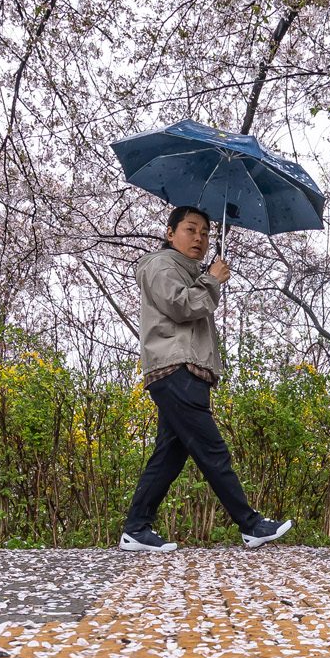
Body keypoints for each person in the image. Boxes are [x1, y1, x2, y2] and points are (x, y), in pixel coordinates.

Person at [119, 204, 293, 553]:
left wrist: (207, 278)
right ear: (170, 234)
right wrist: (212, 280)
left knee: (169, 455)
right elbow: (181, 306)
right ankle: (251, 525)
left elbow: (192, 303)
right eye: (190, 229)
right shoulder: (159, 265)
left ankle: (136, 528)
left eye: (205, 232)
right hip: (175, 368)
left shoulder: (186, 270)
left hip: (186, 369)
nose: (199, 238)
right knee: (212, 449)